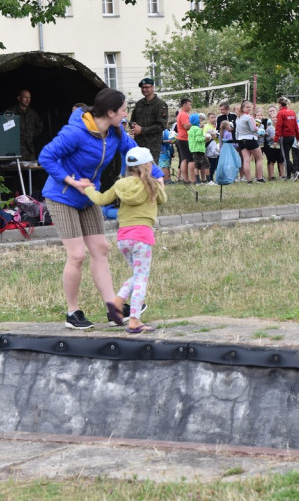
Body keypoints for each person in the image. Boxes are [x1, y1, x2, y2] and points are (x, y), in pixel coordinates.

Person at [39, 88, 146, 330]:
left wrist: (156, 177)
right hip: (62, 196)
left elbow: (135, 153)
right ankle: (72, 312)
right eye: (123, 111)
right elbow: (46, 157)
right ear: (110, 112)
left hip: (88, 197)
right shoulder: (75, 133)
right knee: (76, 255)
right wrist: (72, 181)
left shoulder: (115, 132)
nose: (125, 115)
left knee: (100, 249)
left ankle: (113, 308)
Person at [84, 146, 165, 333]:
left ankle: (118, 301)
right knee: (141, 279)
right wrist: (159, 183)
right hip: (142, 237)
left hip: (123, 238)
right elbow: (163, 200)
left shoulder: (121, 184)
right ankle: (134, 319)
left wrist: (88, 189)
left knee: (137, 274)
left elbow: (101, 199)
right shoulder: (152, 184)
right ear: (148, 165)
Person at [129, 77, 169, 160]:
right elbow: (132, 120)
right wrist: (133, 126)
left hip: (152, 146)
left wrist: (142, 130)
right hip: (138, 144)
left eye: (147, 87)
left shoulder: (160, 105)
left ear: (153, 88)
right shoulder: (139, 103)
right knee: (138, 171)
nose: (144, 90)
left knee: (151, 171)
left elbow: (161, 125)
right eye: (142, 87)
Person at [5, 88, 44, 161]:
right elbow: (4, 128)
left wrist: (31, 134)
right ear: (19, 98)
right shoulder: (11, 112)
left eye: (29, 98)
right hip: (16, 149)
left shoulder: (32, 113)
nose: (28, 100)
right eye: (25, 97)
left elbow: (39, 126)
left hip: (30, 150)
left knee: (31, 170)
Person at [235, 100, 265, 183]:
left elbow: (237, 131)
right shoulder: (249, 117)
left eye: (250, 107)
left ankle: (248, 180)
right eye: (247, 107)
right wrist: (259, 130)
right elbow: (253, 129)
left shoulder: (238, 118)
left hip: (241, 140)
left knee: (246, 160)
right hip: (250, 139)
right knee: (259, 158)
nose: (249, 109)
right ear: (243, 108)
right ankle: (259, 178)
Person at [275, 96, 299, 180]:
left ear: (279, 104)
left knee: (285, 157)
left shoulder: (281, 113)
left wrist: (275, 139)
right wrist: (298, 137)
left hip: (284, 137)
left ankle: (295, 172)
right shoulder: (292, 112)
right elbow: (296, 126)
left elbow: (278, 127)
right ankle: (288, 176)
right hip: (292, 137)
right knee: (287, 156)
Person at [187, 113, 210, 184]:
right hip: (199, 149)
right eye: (199, 119)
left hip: (193, 149)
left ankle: (198, 181)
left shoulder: (191, 129)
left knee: (196, 165)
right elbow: (198, 139)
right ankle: (209, 180)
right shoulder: (198, 129)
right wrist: (205, 138)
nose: (200, 120)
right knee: (206, 164)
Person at [175, 98, 193, 184]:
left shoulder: (181, 114)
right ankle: (186, 179)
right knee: (185, 159)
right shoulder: (183, 114)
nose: (190, 106)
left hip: (182, 139)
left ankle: (186, 179)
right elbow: (186, 126)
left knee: (184, 159)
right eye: (189, 105)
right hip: (183, 139)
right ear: (184, 105)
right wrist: (194, 122)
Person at [263, 105, 284, 180]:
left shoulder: (281, 126)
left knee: (281, 161)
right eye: (273, 118)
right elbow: (267, 139)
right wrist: (271, 138)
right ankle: (271, 176)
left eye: (276, 117)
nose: (275, 119)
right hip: (271, 147)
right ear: (270, 119)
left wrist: (279, 138)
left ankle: (282, 175)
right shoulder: (269, 128)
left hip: (280, 146)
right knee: (271, 161)